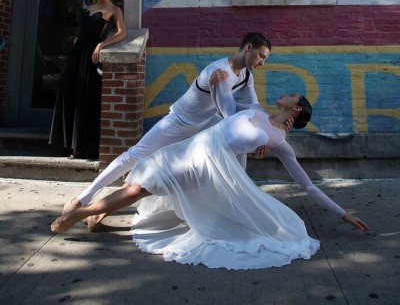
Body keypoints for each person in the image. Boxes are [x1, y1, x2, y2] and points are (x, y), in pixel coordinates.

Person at [51, 94, 369, 270]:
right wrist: (215, 81)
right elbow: (223, 104)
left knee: (139, 189)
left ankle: (78, 214)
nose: (284, 93)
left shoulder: (278, 142)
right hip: (188, 148)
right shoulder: (257, 111)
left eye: (291, 95)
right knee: (142, 180)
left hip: (202, 165)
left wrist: (343, 213)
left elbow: (308, 185)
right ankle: (95, 216)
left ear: (295, 108)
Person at [59, 32, 271, 218]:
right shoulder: (218, 71)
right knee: (134, 155)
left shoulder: (245, 76)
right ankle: (82, 198)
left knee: (235, 148)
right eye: (261, 55)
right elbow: (230, 114)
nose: (262, 62)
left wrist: (268, 130)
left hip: (205, 121)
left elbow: (253, 108)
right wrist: (258, 133)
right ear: (248, 47)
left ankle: (238, 199)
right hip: (179, 121)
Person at [49, 0, 127, 159]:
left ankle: (79, 148)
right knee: (67, 90)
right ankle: (66, 141)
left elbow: (122, 33)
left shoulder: (114, 10)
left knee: (84, 97)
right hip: (76, 53)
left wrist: (102, 45)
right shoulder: (89, 7)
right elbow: (81, 31)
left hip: (91, 54)